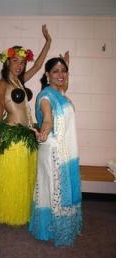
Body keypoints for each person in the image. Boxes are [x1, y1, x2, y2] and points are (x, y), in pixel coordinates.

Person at [0, 25, 52, 226]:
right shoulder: (2, 84)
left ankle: (21, 211)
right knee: (10, 178)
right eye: (16, 61)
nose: (20, 65)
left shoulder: (21, 80)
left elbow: (39, 66)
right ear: (7, 62)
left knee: (23, 178)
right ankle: (7, 212)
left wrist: (48, 42)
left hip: (26, 135)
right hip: (11, 136)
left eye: (22, 62)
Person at [28, 54, 82, 246]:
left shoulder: (60, 92)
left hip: (65, 150)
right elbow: (48, 119)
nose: (61, 75)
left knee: (59, 189)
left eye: (64, 71)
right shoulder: (45, 97)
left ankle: (57, 226)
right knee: (55, 190)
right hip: (53, 151)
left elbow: (63, 83)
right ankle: (52, 229)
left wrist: (68, 62)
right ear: (47, 74)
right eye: (56, 71)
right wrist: (43, 132)